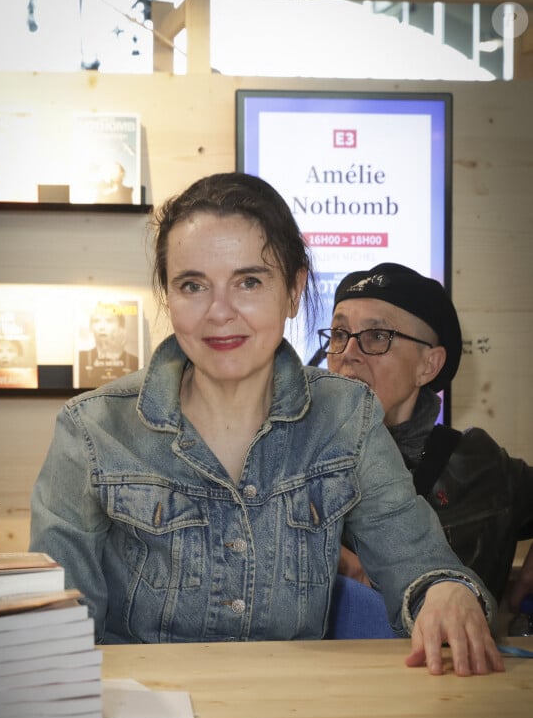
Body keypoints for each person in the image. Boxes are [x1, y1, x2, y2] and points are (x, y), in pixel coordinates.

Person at [30, 172, 503, 677]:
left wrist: (446, 591)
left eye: (249, 282)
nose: (220, 313)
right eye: (193, 285)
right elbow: (54, 635)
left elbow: (418, 559)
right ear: (168, 296)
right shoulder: (92, 430)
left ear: (295, 290)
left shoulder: (348, 416)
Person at [322, 261, 533, 613]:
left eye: (376, 336)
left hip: (447, 666)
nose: (347, 355)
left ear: (428, 366)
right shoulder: (296, 460)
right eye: (340, 335)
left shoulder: (481, 467)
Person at [77, 302, 139, 388]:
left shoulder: (134, 361)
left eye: (109, 321)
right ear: (91, 327)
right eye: (96, 321)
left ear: (121, 326)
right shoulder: (80, 358)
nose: (102, 327)